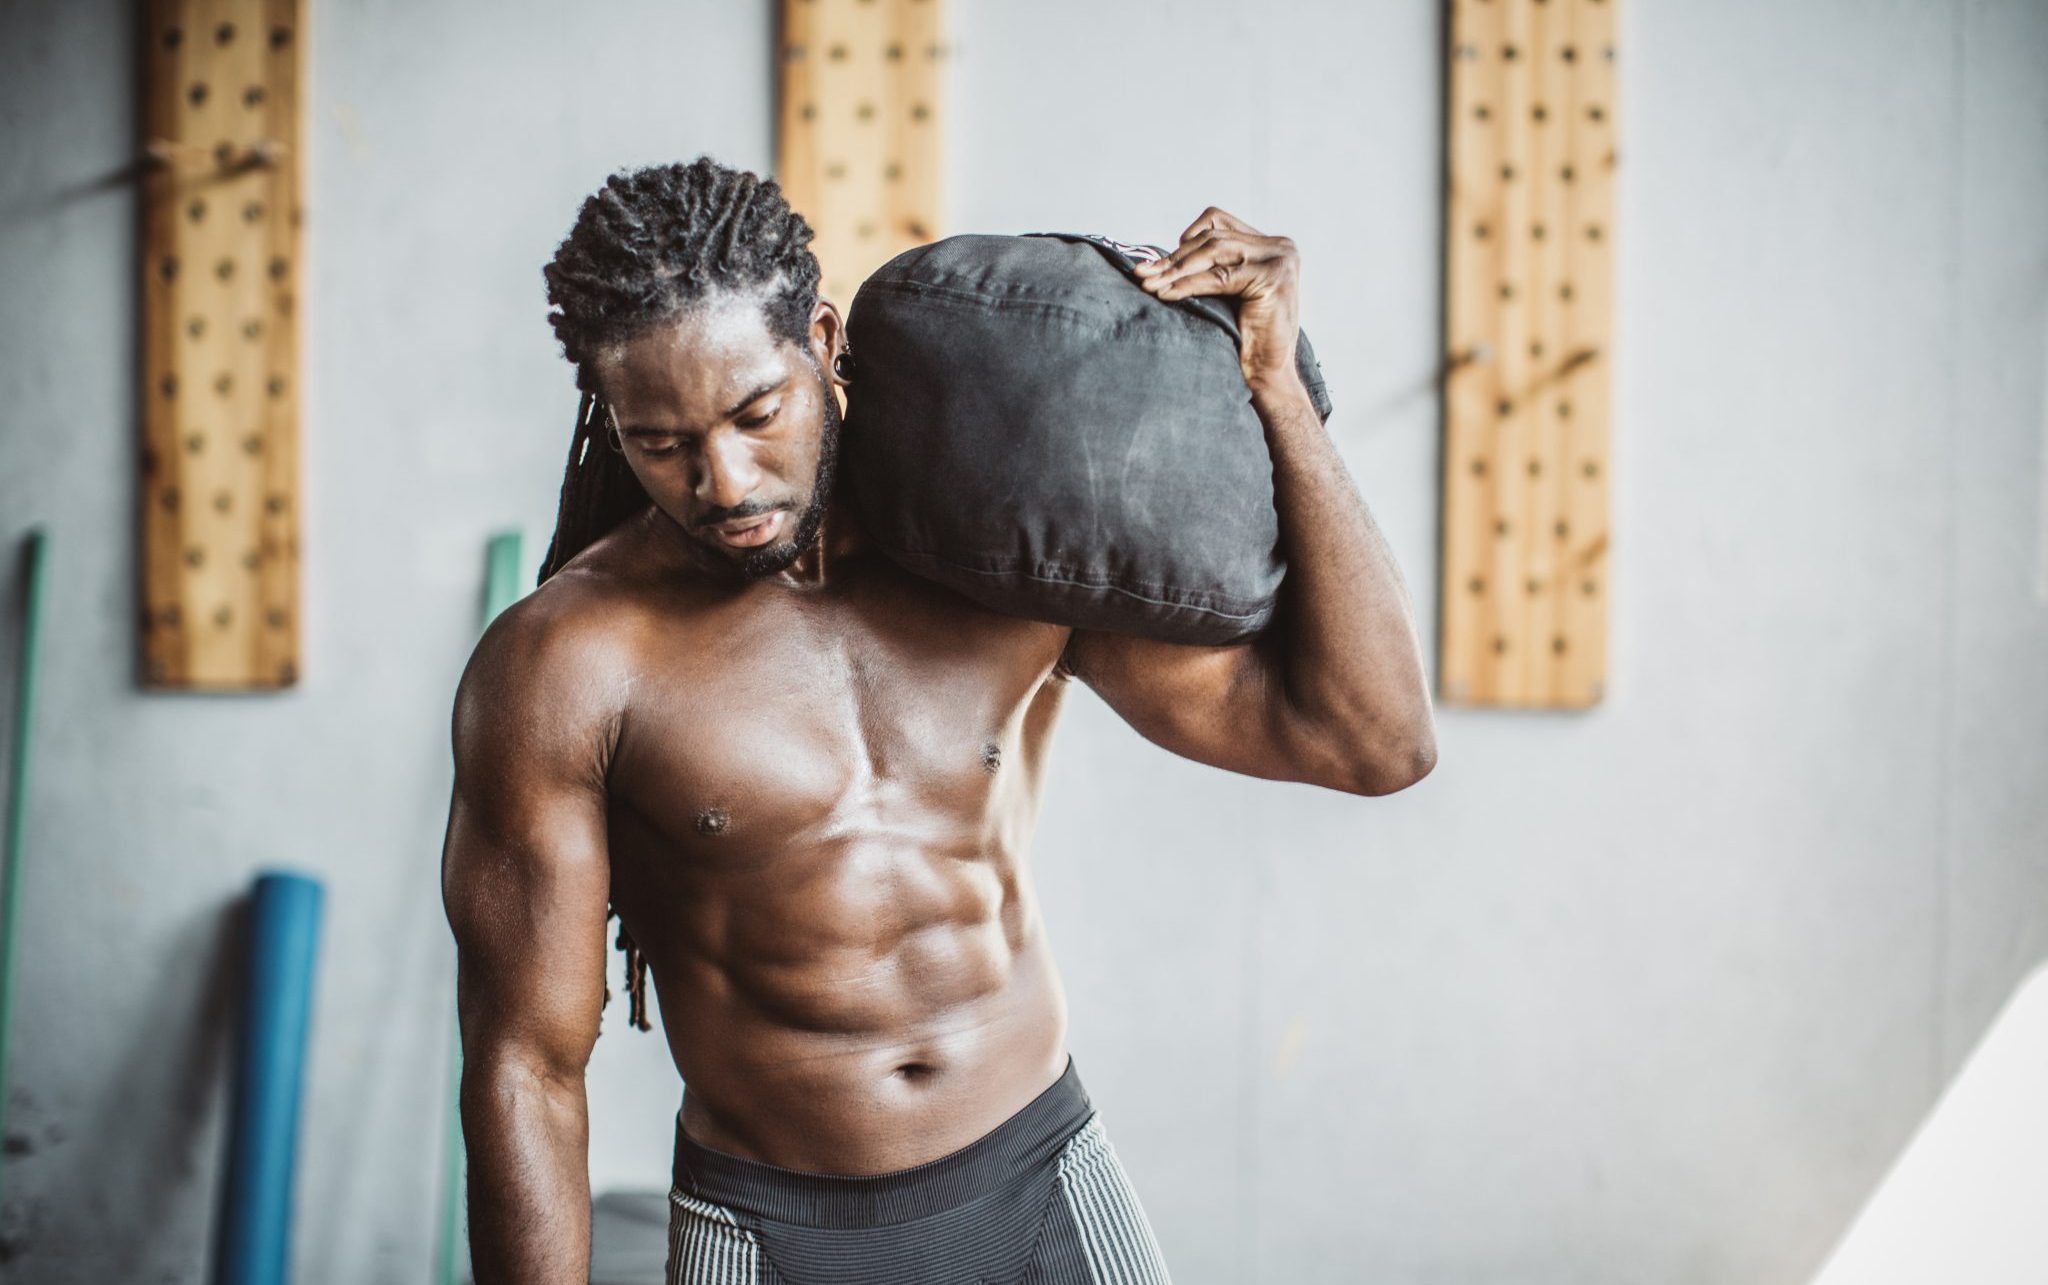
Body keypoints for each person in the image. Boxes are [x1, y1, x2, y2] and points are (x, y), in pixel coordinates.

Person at [439, 156, 1436, 1285]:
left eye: (755, 413)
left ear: (821, 339)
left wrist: (1278, 392)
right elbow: (527, 1063)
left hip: (1042, 1180)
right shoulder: (565, 665)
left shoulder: (997, 557)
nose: (721, 482)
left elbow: (1373, 740)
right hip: (771, 1227)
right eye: (658, 442)